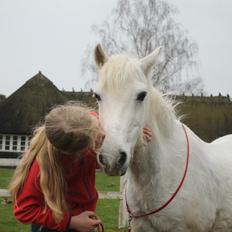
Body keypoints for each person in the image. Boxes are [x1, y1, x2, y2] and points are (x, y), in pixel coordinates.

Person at [9, 103, 152, 232]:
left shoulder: (84, 124)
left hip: (83, 221)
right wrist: (71, 222)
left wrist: (133, 139)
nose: (103, 134)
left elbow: (100, 159)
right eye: (97, 137)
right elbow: (24, 210)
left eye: (97, 126)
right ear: (78, 153)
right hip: (55, 226)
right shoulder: (41, 166)